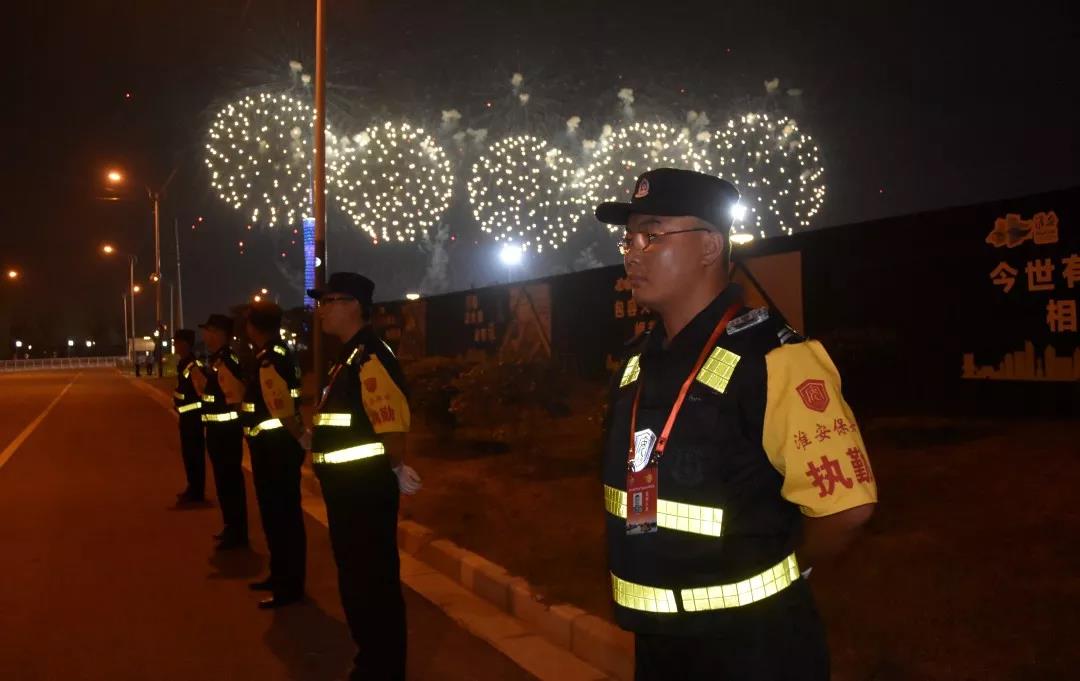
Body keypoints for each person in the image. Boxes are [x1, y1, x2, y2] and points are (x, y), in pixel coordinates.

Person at [595, 168, 878, 680]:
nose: (632, 254)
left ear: (709, 246)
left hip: (754, 649)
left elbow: (846, 509)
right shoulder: (639, 362)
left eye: (652, 236)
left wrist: (790, 568)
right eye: (628, 240)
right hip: (659, 648)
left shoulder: (776, 359)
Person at [306, 272, 422, 681]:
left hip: (365, 491)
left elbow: (391, 425)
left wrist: (396, 468)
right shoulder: (348, 356)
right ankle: (369, 659)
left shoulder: (369, 355)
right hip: (347, 490)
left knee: (374, 583)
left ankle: (383, 667)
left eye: (329, 301)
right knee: (356, 580)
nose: (321, 309)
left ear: (353, 305)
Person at [241, 301, 307, 609]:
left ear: (254, 327)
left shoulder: (269, 359)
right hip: (278, 447)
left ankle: (288, 585)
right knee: (280, 516)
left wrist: (301, 437)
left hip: (275, 448)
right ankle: (280, 574)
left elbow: (280, 407)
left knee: (280, 517)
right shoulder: (281, 353)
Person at [193, 314, 249, 550]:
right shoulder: (218, 359)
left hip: (225, 434)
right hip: (219, 431)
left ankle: (236, 532)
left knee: (229, 483)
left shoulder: (225, 360)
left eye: (207, 331)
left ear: (218, 333)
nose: (204, 335)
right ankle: (231, 527)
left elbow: (235, 398)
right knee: (225, 483)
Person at [172, 329, 206, 504]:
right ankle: (192, 488)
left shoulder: (193, 366)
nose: (175, 345)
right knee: (189, 455)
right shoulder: (184, 364)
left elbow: (202, 392)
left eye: (177, 342)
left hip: (194, 419)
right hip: (186, 418)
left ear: (185, 344)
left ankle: (196, 492)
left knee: (195, 456)